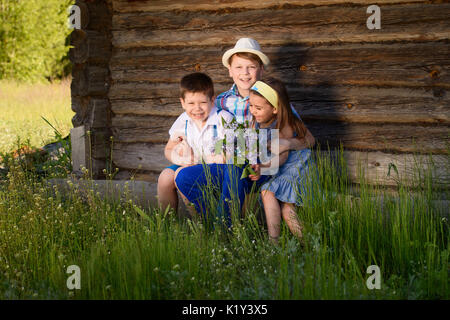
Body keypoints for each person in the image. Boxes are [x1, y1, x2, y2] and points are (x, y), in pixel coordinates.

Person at [172, 38, 316, 217]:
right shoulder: (220, 102)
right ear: (230, 71)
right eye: (239, 67)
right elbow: (203, 127)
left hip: (259, 165)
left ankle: (225, 229)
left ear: (261, 69)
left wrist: (286, 144)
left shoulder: (272, 98)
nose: (245, 73)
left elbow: (308, 139)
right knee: (183, 176)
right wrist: (184, 145)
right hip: (225, 159)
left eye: (251, 67)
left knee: (235, 167)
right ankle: (211, 226)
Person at [248, 78, 317, 243]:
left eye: (258, 108)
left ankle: (298, 244)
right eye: (250, 105)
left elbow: (282, 157)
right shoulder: (256, 123)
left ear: (275, 109)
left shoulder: (283, 125)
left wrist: (263, 168)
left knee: (284, 206)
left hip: (297, 167)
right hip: (282, 168)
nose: (253, 111)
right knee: (271, 195)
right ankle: (280, 241)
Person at [157, 72, 233, 213]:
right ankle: (167, 223)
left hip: (216, 168)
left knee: (182, 173)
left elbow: (230, 154)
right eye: (191, 103)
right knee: (165, 177)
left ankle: (201, 223)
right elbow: (169, 148)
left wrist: (197, 160)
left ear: (212, 100)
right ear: (183, 103)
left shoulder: (223, 119)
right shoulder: (183, 120)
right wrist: (180, 158)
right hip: (189, 164)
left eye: (203, 103)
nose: (197, 108)